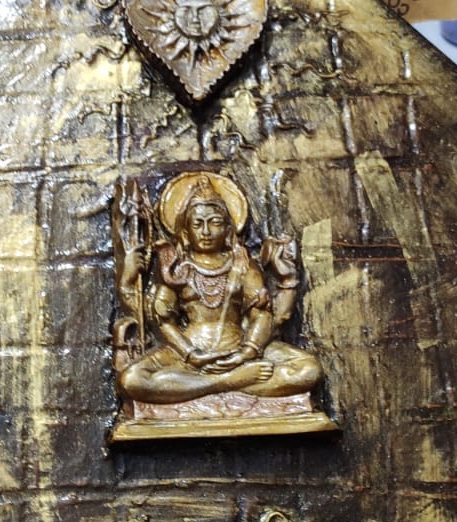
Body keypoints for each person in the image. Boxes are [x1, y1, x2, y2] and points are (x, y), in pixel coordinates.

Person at [117, 172, 321, 406]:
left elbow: (261, 315)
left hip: (238, 346)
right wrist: (191, 354)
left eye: (214, 223)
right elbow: (164, 321)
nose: (206, 232)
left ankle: (194, 386)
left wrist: (247, 351)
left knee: (308, 369)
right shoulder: (176, 267)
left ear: (227, 229)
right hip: (189, 351)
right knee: (132, 379)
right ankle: (227, 382)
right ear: (185, 231)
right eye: (198, 224)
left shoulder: (243, 264)